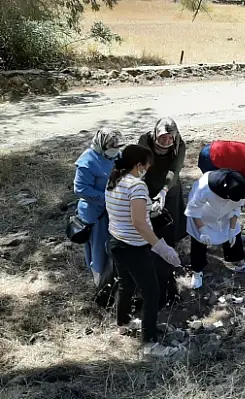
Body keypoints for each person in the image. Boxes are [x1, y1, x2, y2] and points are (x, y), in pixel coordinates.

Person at [105, 144, 182, 357]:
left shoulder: (114, 179)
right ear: (138, 165)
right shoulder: (137, 186)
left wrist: (150, 207)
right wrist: (161, 247)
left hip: (116, 242)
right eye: (147, 165)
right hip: (133, 247)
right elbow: (139, 222)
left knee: (126, 285)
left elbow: (128, 211)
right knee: (151, 291)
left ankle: (123, 324)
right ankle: (149, 344)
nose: (148, 168)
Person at [138, 117, 186, 305]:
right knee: (149, 219)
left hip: (170, 186)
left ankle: (169, 256)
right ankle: (151, 249)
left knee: (170, 220)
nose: (166, 142)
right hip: (148, 182)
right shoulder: (145, 140)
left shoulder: (180, 146)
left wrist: (164, 191)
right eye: (162, 137)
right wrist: (140, 187)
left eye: (170, 138)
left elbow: (175, 168)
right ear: (156, 134)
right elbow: (141, 164)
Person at [185, 169, 245, 288]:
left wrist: (232, 230)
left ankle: (240, 264)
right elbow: (194, 210)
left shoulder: (239, 188)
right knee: (199, 241)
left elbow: (236, 209)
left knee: (235, 236)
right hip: (203, 217)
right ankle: (197, 272)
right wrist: (202, 231)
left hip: (224, 215)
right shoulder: (203, 187)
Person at [73, 128, 124, 286]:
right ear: (102, 145)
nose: (115, 149)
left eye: (117, 146)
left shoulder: (117, 155)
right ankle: (100, 284)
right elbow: (80, 189)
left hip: (114, 209)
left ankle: (114, 277)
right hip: (95, 213)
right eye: (111, 146)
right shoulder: (87, 162)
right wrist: (107, 198)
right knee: (99, 248)